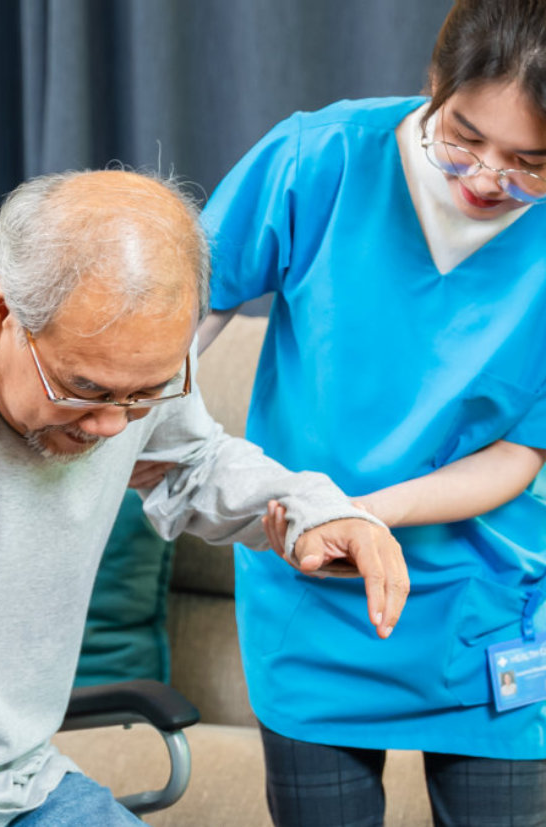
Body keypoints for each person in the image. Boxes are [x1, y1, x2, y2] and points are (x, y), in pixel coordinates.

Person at [0, 169, 409, 827]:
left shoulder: (132, 371)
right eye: (87, 389)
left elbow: (194, 462)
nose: (112, 426)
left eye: (144, 393)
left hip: (21, 781)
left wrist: (313, 509)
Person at [193, 1, 546, 824]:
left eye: (532, 160)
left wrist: (363, 514)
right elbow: (177, 319)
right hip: (313, 590)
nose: (488, 178)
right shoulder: (320, 158)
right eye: (461, 136)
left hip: (482, 603)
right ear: (432, 81)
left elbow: (520, 454)